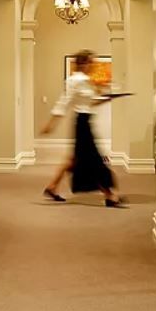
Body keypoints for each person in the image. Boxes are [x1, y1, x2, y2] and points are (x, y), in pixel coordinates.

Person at [40, 50, 123, 207]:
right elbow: (64, 102)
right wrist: (51, 124)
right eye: (91, 62)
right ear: (83, 63)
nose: (93, 65)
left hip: (85, 121)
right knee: (93, 160)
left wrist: (107, 98)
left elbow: (90, 102)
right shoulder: (77, 80)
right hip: (82, 124)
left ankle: (52, 187)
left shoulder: (85, 80)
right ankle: (109, 196)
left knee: (74, 160)